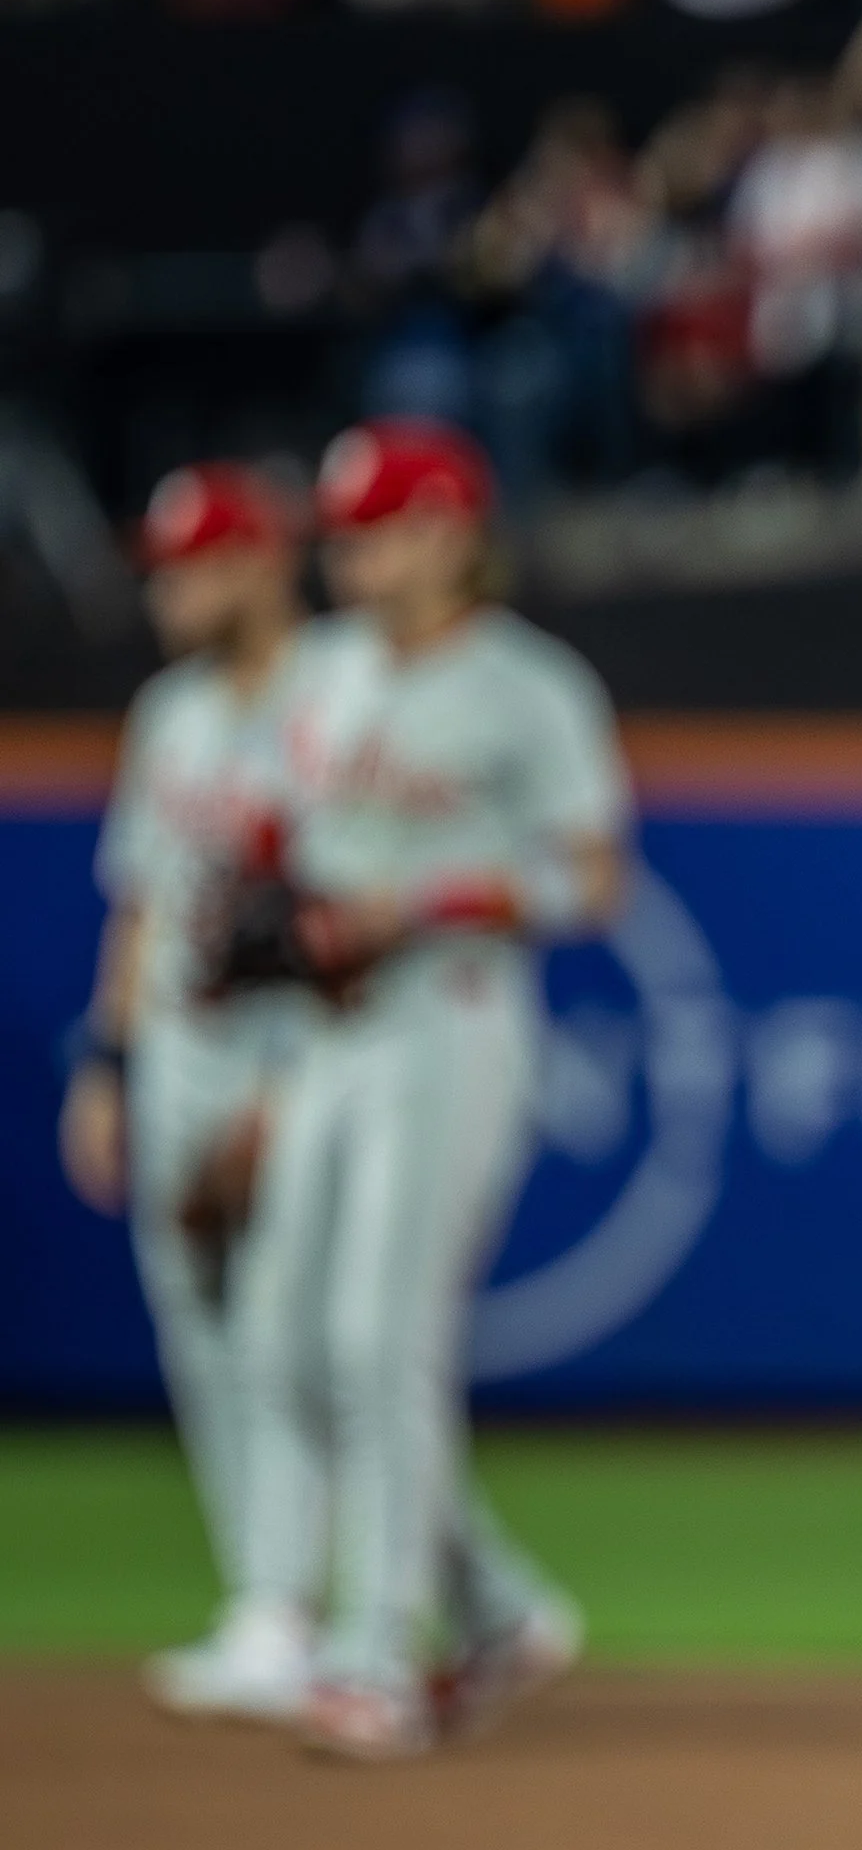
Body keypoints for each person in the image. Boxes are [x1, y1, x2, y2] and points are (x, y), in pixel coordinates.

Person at [229, 418, 632, 1763]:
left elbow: (592, 879)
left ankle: (376, 1655)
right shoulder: (327, 671)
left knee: (376, 1334)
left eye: (379, 523)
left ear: (452, 528)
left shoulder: (528, 685)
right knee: (287, 1336)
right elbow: (278, 851)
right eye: (344, 528)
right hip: (326, 1034)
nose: (353, 549)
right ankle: (496, 1604)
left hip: (451, 1018)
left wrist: (423, 896)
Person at [62, 465, 322, 1719]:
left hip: (293, 1049)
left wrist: (296, 1092)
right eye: (163, 563)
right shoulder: (168, 712)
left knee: (291, 1329)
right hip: (174, 1050)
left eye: (196, 561)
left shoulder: (338, 699)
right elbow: (145, 902)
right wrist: (106, 1064)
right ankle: (261, 1600)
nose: (170, 585)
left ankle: (308, 1606)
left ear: (264, 562)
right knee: (202, 1335)